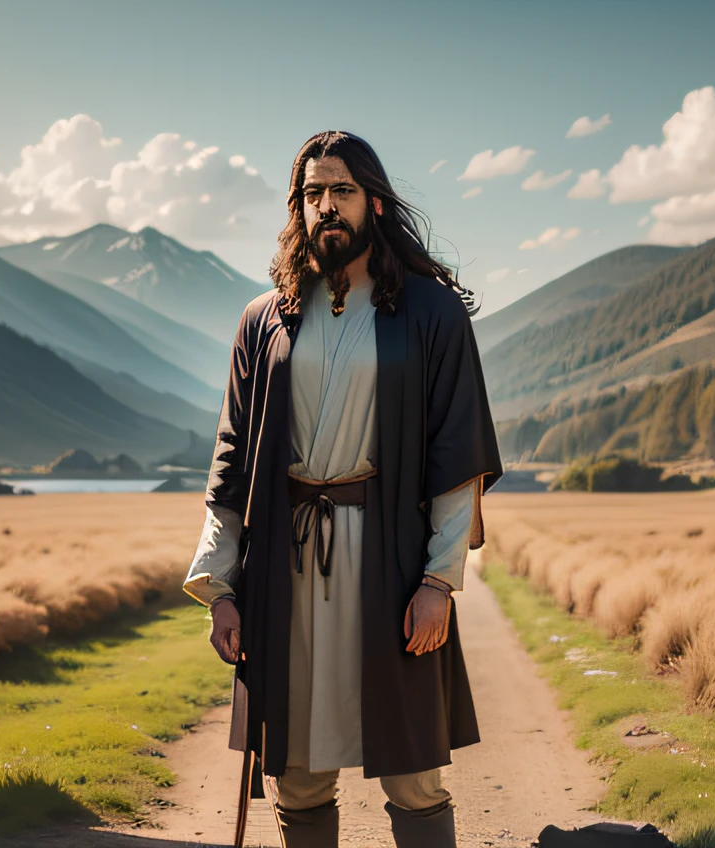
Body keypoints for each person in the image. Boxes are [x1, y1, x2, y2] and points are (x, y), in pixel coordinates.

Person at [183, 129, 502, 847]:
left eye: (343, 192)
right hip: (284, 567)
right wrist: (221, 587)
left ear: (376, 204)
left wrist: (438, 582)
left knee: (413, 768)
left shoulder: (432, 313)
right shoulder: (262, 320)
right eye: (313, 193)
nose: (327, 206)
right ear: (298, 209)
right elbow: (232, 463)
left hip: (388, 562)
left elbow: (457, 458)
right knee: (294, 769)